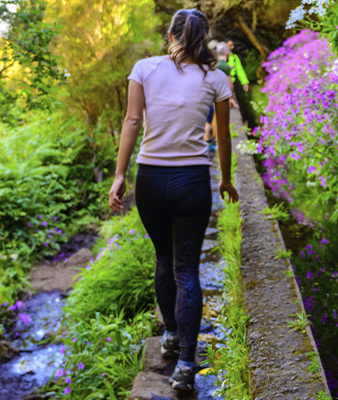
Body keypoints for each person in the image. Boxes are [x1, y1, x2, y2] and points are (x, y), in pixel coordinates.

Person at [107, 9, 238, 394]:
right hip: (192, 181)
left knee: (163, 259)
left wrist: (119, 175)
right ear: (204, 36)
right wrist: (226, 179)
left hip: (150, 180)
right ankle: (185, 365)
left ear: (170, 34)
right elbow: (224, 138)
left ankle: (171, 335)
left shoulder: (144, 68)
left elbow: (132, 122)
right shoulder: (216, 77)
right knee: (187, 271)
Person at [204, 43, 237, 152]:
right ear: (227, 53)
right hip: (219, 96)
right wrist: (231, 98)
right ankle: (210, 141)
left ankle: (209, 141)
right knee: (214, 120)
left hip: (209, 95)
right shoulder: (225, 66)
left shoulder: (214, 64)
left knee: (209, 120)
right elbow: (229, 84)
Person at [225, 38, 257, 131]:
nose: (232, 47)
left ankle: (246, 122)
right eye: (230, 45)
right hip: (224, 84)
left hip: (234, 82)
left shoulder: (234, 57)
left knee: (241, 101)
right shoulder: (221, 57)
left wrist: (244, 82)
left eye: (233, 45)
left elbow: (239, 70)